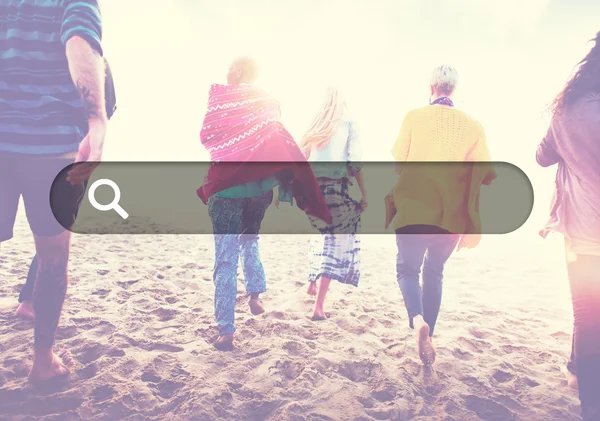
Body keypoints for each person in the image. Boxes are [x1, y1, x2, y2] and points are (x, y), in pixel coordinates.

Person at [0, 0, 107, 383]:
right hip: (49, 146)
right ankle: (42, 362)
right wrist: (96, 117)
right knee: (52, 258)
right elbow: (79, 39)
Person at [197, 57, 331, 351]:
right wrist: (287, 182)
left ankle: (226, 331)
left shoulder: (220, 97)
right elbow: (278, 138)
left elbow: (208, 135)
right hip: (258, 192)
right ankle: (255, 294)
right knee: (250, 241)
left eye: (229, 69)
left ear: (236, 71)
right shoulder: (267, 99)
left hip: (225, 190)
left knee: (225, 258)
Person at [389, 65, 495, 365]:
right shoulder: (473, 126)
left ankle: (417, 321)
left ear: (431, 87)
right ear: (453, 89)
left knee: (407, 270)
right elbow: (484, 174)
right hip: (450, 216)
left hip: (413, 209)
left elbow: (399, 161)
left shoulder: (414, 117)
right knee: (434, 272)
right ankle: (430, 335)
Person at [16, 57, 117, 321]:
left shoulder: (37, 56)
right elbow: (109, 106)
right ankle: (30, 301)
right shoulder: (93, 61)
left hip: (25, 148)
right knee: (56, 238)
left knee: (49, 237)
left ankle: (30, 299)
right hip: (67, 152)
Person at [537, 31, 600, 421]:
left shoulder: (568, 110)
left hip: (583, 232)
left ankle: (589, 402)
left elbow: (542, 156)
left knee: (588, 315)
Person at [299, 87, 366, 321]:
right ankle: (318, 307)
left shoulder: (315, 126)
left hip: (312, 193)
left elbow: (300, 159)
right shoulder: (349, 124)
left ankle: (311, 282)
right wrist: (364, 194)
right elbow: (354, 163)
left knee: (320, 236)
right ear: (342, 100)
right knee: (333, 244)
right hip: (336, 191)